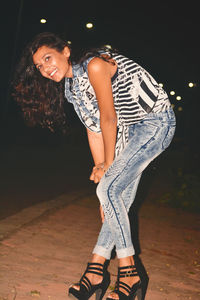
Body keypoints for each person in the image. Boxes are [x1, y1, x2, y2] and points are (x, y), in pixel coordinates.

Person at [13, 32, 176, 300]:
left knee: (110, 192)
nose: (45, 68)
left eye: (47, 58)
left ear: (65, 51)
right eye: (39, 66)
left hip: (154, 123)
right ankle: (96, 271)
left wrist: (108, 172)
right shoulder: (71, 88)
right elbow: (94, 129)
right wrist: (101, 168)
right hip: (128, 133)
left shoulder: (94, 65)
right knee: (113, 200)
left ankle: (130, 272)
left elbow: (108, 118)